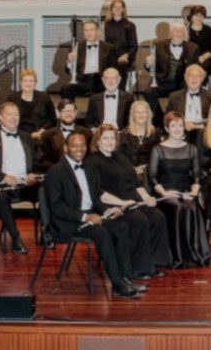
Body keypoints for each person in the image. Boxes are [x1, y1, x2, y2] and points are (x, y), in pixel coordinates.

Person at [44, 132, 145, 299]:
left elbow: (95, 195)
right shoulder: (55, 171)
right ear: (65, 149)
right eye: (74, 145)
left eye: (82, 145)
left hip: (91, 216)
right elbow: (56, 206)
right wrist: (85, 217)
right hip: (67, 223)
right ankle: (118, 284)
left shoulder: (89, 167)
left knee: (121, 227)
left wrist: (107, 210)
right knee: (102, 233)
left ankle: (126, 279)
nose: (79, 149)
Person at [87, 124, 170, 279]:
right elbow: (97, 192)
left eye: (112, 138)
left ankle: (152, 262)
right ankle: (138, 267)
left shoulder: (120, 157)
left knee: (157, 216)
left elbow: (136, 183)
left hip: (133, 201)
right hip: (112, 204)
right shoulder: (93, 161)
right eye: (105, 138)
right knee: (139, 220)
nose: (110, 141)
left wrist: (147, 198)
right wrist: (122, 203)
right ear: (97, 141)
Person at [149, 112, 211, 268]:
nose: (177, 129)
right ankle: (177, 256)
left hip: (185, 191)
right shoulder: (158, 149)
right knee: (177, 207)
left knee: (192, 206)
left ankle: (196, 254)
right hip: (165, 193)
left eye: (180, 125)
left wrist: (193, 193)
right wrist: (165, 193)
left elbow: (197, 176)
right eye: (173, 126)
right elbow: (152, 177)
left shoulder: (191, 149)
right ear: (167, 128)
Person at [0, 101, 38, 254]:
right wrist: (3, 176)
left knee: (46, 190)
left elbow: (35, 163)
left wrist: (32, 174)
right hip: (3, 185)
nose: (13, 118)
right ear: (0, 117)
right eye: (9, 114)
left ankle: (49, 235)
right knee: (0, 197)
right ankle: (16, 239)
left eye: (16, 114)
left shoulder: (26, 137)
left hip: (25, 184)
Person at [144, 21, 200, 127]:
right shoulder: (158, 46)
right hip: (162, 81)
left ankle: (181, 123)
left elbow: (195, 68)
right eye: (175, 31)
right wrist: (148, 63)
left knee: (180, 95)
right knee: (148, 92)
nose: (178, 34)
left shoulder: (193, 47)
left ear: (185, 34)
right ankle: (160, 122)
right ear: (170, 33)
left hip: (182, 83)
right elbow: (149, 68)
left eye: (181, 31)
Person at [61, 19, 115, 100]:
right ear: (83, 33)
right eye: (86, 30)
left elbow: (114, 68)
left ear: (97, 31)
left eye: (91, 30)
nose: (89, 33)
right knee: (66, 88)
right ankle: (69, 111)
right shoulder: (77, 46)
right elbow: (67, 71)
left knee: (114, 88)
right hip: (83, 81)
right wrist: (69, 61)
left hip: (102, 80)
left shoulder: (109, 47)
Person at [166, 64, 211, 142]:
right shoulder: (174, 97)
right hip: (182, 132)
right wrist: (182, 123)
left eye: (198, 76)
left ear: (202, 79)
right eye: (191, 76)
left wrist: (204, 126)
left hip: (204, 133)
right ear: (185, 77)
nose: (194, 79)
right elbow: (168, 118)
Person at [40, 99, 92, 171]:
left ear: (76, 112)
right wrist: (59, 169)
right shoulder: (47, 135)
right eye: (64, 111)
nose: (68, 114)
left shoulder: (87, 133)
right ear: (58, 114)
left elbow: (91, 157)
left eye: (70, 111)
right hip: (57, 174)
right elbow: (43, 160)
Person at [6, 69, 56, 141]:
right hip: (18, 135)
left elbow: (53, 120)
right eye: (25, 80)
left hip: (40, 136)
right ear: (20, 82)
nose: (28, 83)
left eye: (31, 81)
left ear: (35, 82)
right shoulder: (12, 98)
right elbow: (7, 118)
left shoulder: (44, 97)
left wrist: (41, 132)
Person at [102, 0, 138, 90]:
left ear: (123, 9)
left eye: (120, 7)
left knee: (120, 66)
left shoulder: (130, 25)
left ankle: (121, 93)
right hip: (109, 57)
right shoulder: (105, 25)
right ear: (111, 9)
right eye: (115, 7)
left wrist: (126, 55)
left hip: (124, 58)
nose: (117, 9)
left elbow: (134, 46)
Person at [119, 100, 161, 170]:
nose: (140, 115)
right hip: (130, 172)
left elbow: (158, 157)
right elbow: (121, 158)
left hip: (150, 173)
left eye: (143, 112)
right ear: (132, 115)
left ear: (148, 114)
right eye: (137, 112)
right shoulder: (124, 134)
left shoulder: (155, 133)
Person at [185, 5, 211, 80]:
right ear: (191, 16)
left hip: (205, 58)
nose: (199, 18)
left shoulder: (209, 30)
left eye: (201, 16)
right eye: (196, 15)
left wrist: (204, 56)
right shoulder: (186, 30)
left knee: (201, 66)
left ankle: (200, 86)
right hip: (189, 59)